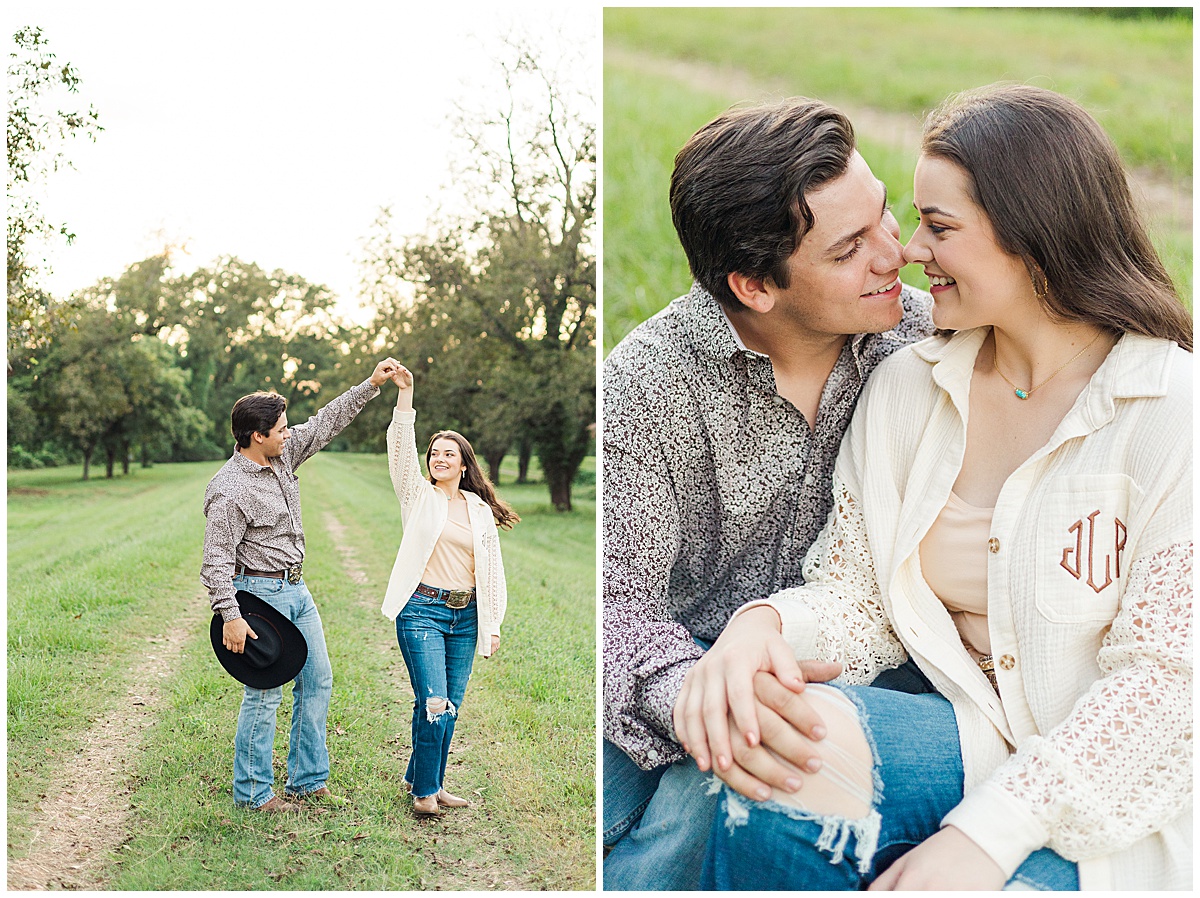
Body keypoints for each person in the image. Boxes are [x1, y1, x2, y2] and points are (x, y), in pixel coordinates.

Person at [695, 84, 1193, 891]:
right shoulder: (909, 388)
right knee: (773, 755)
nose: (911, 251)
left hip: (1115, 797)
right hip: (968, 735)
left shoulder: (1171, 412)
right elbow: (857, 596)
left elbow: (1164, 690)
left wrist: (980, 839)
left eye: (939, 225)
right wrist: (764, 627)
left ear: (1033, 237)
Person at [602, 96, 934, 889]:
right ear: (755, 285)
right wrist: (701, 694)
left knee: (729, 792)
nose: (896, 255)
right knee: (623, 825)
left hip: (861, 668)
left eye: (884, 216)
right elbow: (614, 604)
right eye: (852, 247)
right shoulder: (647, 387)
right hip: (681, 674)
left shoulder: (927, 342)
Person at [202, 356, 401, 812]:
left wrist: (371, 384)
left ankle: (308, 782)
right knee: (265, 693)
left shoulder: (283, 455)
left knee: (318, 681)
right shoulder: (229, 489)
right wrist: (230, 617)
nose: (290, 432)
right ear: (258, 435)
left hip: (298, 591)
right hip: (257, 598)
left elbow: (326, 421)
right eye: (282, 428)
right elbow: (215, 562)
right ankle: (253, 795)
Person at [380, 364, 518, 817]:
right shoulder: (417, 495)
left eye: (448, 453)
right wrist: (406, 398)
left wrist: (492, 623)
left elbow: (491, 569)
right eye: (434, 453)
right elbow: (400, 450)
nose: (438, 458)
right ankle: (424, 793)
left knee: (450, 706)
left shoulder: (478, 508)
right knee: (433, 701)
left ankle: (427, 781)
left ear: (463, 463)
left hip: (465, 616)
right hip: (422, 609)